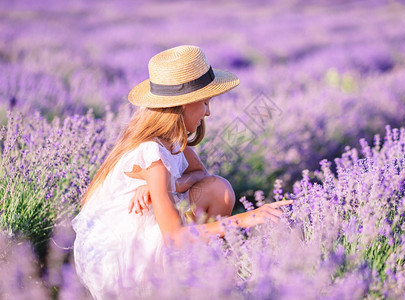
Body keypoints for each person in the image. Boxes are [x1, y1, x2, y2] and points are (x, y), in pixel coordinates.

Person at [72, 45, 292, 299]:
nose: (208, 112)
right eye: (205, 103)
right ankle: (193, 281)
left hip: (153, 231)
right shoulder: (152, 154)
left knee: (218, 188)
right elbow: (174, 237)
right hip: (129, 259)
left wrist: (170, 186)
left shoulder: (172, 140)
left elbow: (202, 174)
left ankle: (200, 274)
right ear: (183, 105)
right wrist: (247, 219)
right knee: (209, 207)